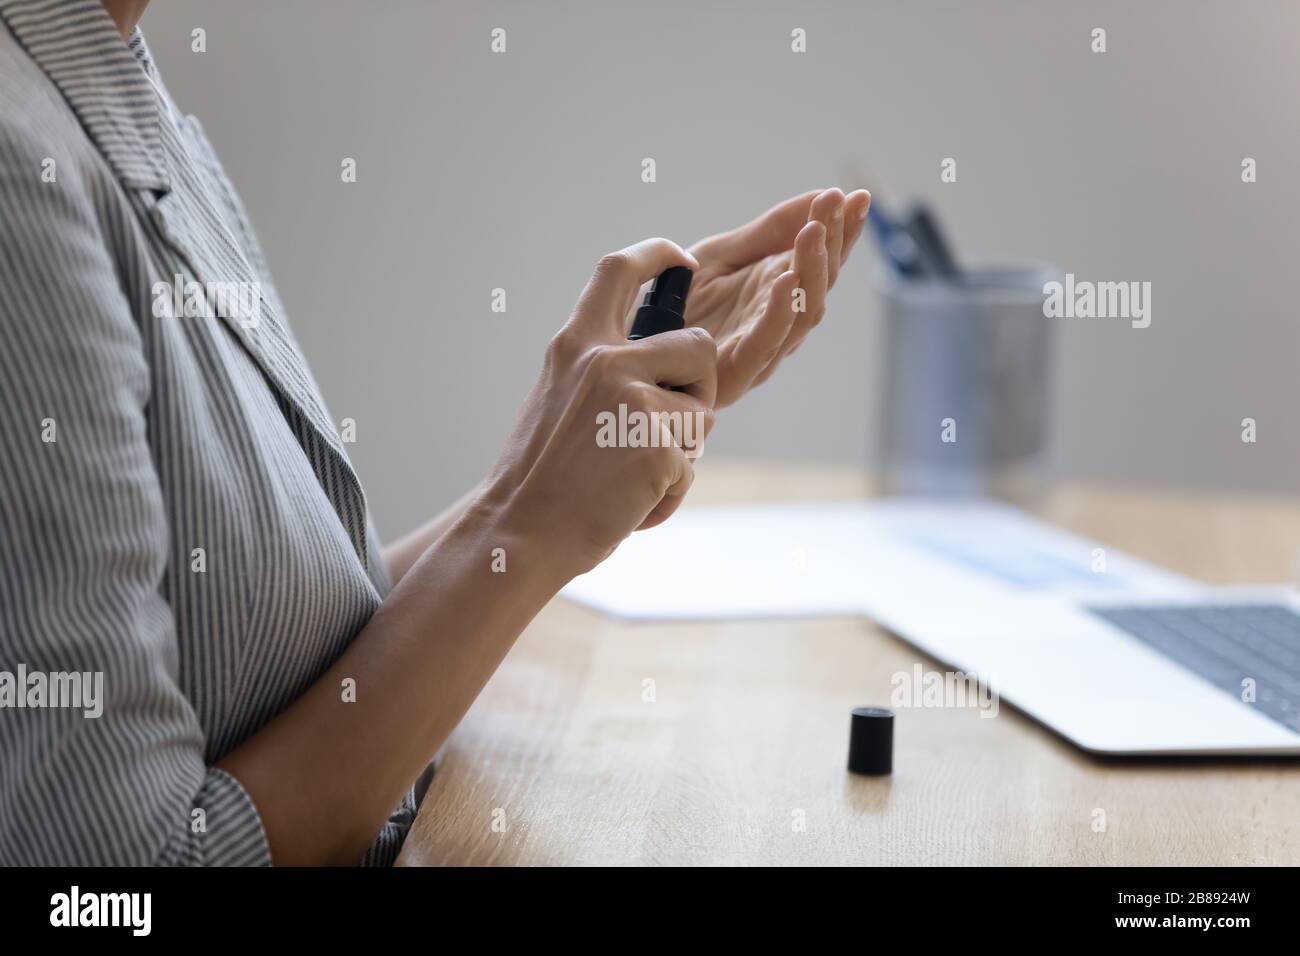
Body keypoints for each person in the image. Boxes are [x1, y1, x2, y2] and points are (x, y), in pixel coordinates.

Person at [0, 0, 870, 865]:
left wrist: (556, 470)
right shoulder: (21, 174)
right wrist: (527, 530)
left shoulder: (118, 82)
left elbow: (297, 651)